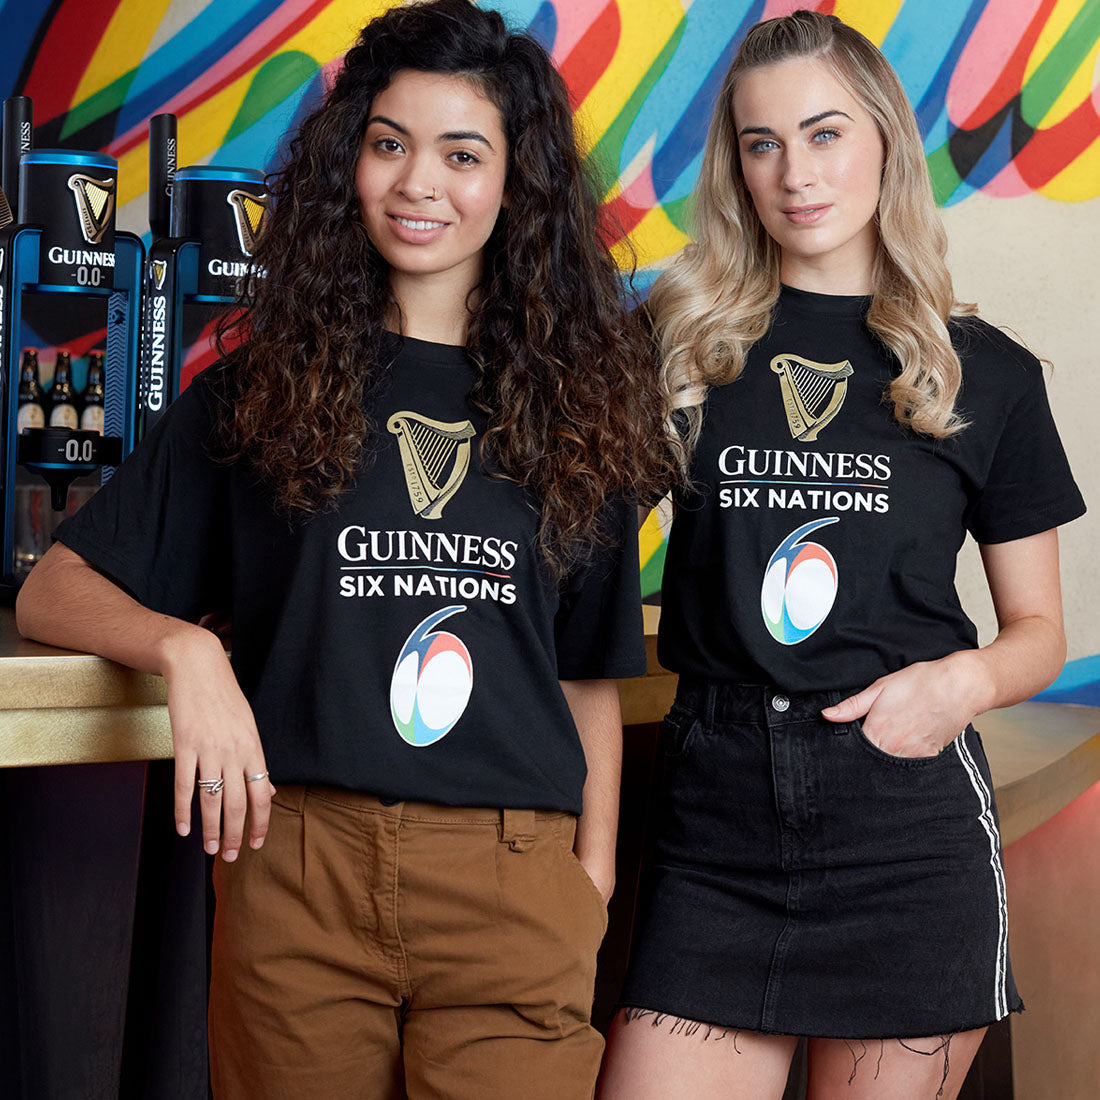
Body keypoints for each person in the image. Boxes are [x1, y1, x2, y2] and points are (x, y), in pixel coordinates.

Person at [15, 2, 674, 1096]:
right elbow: (54, 588)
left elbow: (585, 676)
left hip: (512, 878)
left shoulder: (579, 409)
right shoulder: (256, 392)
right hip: (297, 872)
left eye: (462, 154)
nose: (419, 183)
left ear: (517, 186)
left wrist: (589, 876)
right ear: (348, 165)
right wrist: (187, 651)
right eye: (388, 144)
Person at [598, 10, 1085, 1100]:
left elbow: (1038, 634)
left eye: (822, 134)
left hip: (902, 822)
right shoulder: (677, 343)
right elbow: (553, 545)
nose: (792, 172)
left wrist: (955, 682)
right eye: (759, 142)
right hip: (713, 809)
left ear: (881, 143)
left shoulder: (981, 371)